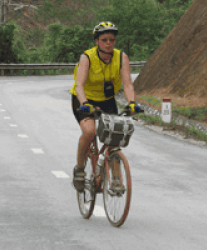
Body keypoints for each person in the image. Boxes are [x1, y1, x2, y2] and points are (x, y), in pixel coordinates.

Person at [70, 21, 141, 192]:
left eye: (112, 39)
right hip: (84, 99)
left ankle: (116, 180)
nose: (108, 43)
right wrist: (85, 104)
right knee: (89, 131)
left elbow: (128, 84)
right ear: (97, 41)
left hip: (107, 100)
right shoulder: (86, 57)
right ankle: (79, 169)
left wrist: (132, 103)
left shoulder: (121, 57)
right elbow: (79, 84)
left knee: (114, 138)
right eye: (104, 39)